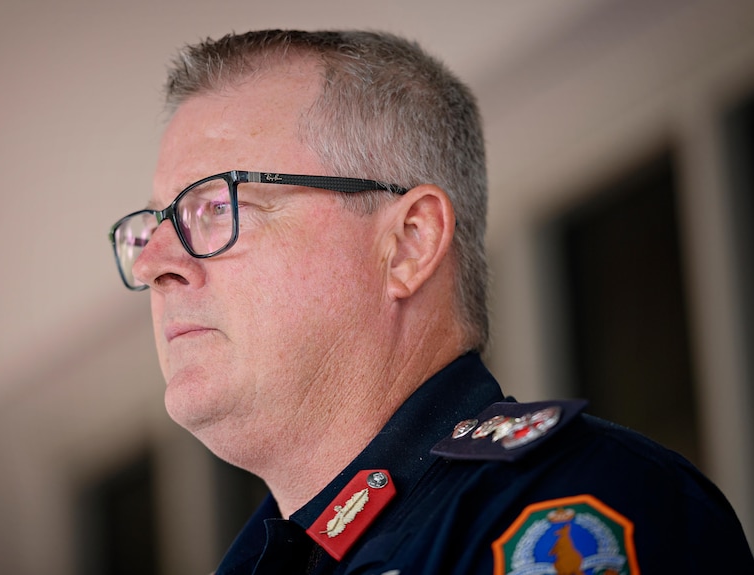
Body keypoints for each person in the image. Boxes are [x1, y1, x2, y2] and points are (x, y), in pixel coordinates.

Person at [109, 29, 753, 574]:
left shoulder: (575, 505)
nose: (153, 262)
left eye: (217, 207)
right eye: (153, 225)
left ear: (409, 245)